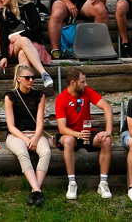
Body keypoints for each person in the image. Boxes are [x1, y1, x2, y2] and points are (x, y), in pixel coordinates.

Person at [55, 67, 114, 200]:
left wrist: (108, 131)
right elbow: (62, 128)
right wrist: (78, 134)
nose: (86, 84)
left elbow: (107, 107)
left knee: (106, 141)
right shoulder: (61, 98)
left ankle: (103, 183)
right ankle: (72, 183)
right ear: (72, 83)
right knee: (69, 141)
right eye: (83, 82)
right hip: (71, 134)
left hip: (86, 133)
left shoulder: (86, 92)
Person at [4, 64, 49, 206]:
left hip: (34, 132)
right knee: (23, 153)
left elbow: (40, 123)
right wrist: (25, 138)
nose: (31, 80)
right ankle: (37, 190)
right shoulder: (10, 96)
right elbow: (11, 126)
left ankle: (35, 190)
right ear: (18, 79)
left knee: (46, 152)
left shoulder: (39, 96)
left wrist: (35, 138)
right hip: (16, 134)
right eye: (27, 77)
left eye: (33, 78)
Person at [0, 0, 53, 88]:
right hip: (13, 45)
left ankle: (25, 87)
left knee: (22, 53)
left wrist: (21, 35)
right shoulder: (2, 13)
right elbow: (3, 36)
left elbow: (37, 29)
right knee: (22, 41)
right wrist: (4, 56)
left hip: (33, 43)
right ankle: (43, 73)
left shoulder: (29, 6)